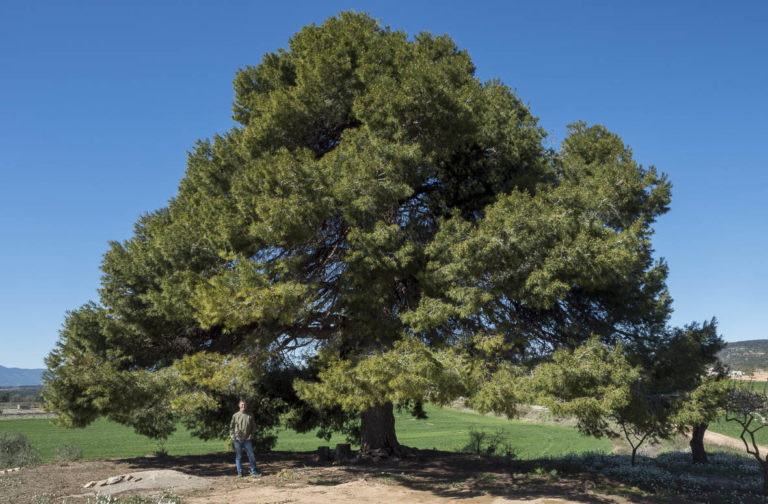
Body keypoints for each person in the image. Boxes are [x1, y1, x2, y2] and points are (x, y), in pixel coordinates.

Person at [230, 399, 261, 477]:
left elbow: (253, 426)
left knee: (251, 456)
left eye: (244, 404)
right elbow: (231, 427)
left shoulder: (250, 415)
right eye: (242, 404)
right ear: (239, 405)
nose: (243, 406)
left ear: (246, 405)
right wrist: (234, 437)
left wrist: (251, 435)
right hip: (238, 440)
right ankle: (239, 472)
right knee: (239, 456)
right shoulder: (235, 415)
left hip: (247, 439)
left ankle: (253, 471)